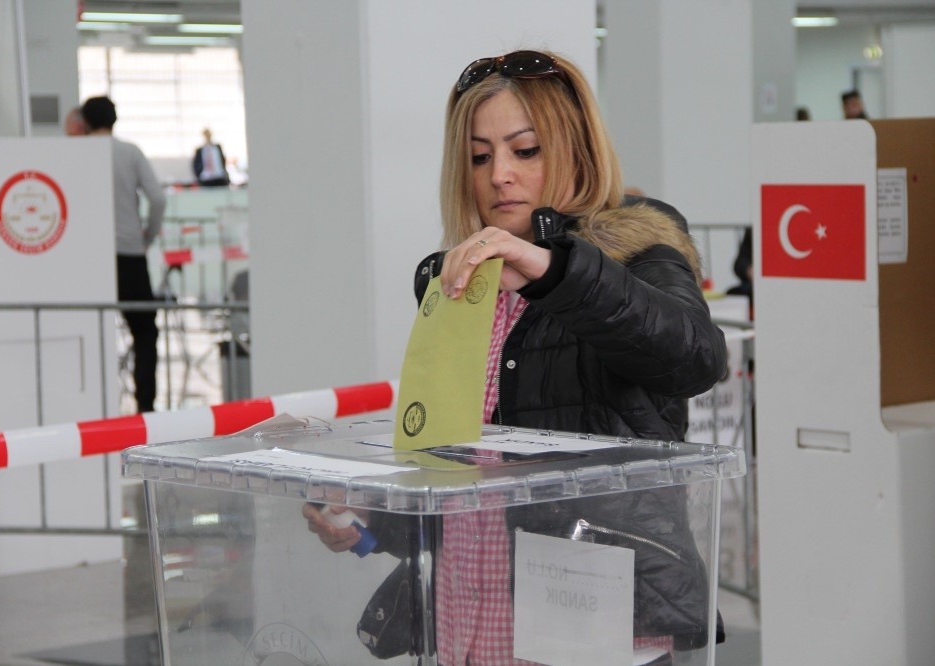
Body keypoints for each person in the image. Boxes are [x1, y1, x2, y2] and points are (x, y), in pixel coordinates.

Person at [304, 49, 728, 665]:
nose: (499, 174)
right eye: (479, 157)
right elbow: (464, 473)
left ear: (576, 150)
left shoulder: (638, 255)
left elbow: (695, 358)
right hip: (467, 626)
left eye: (525, 150)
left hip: (587, 628)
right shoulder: (460, 287)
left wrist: (554, 272)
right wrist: (369, 518)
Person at [82, 95, 165, 413]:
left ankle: (93, 404)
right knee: (144, 331)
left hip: (90, 257)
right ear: (114, 119)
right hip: (129, 253)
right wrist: (148, 235)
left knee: (90, 330)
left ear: (85, 122)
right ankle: (146, 406)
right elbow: (158, 198)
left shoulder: (78, 153)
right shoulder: (130, 152)